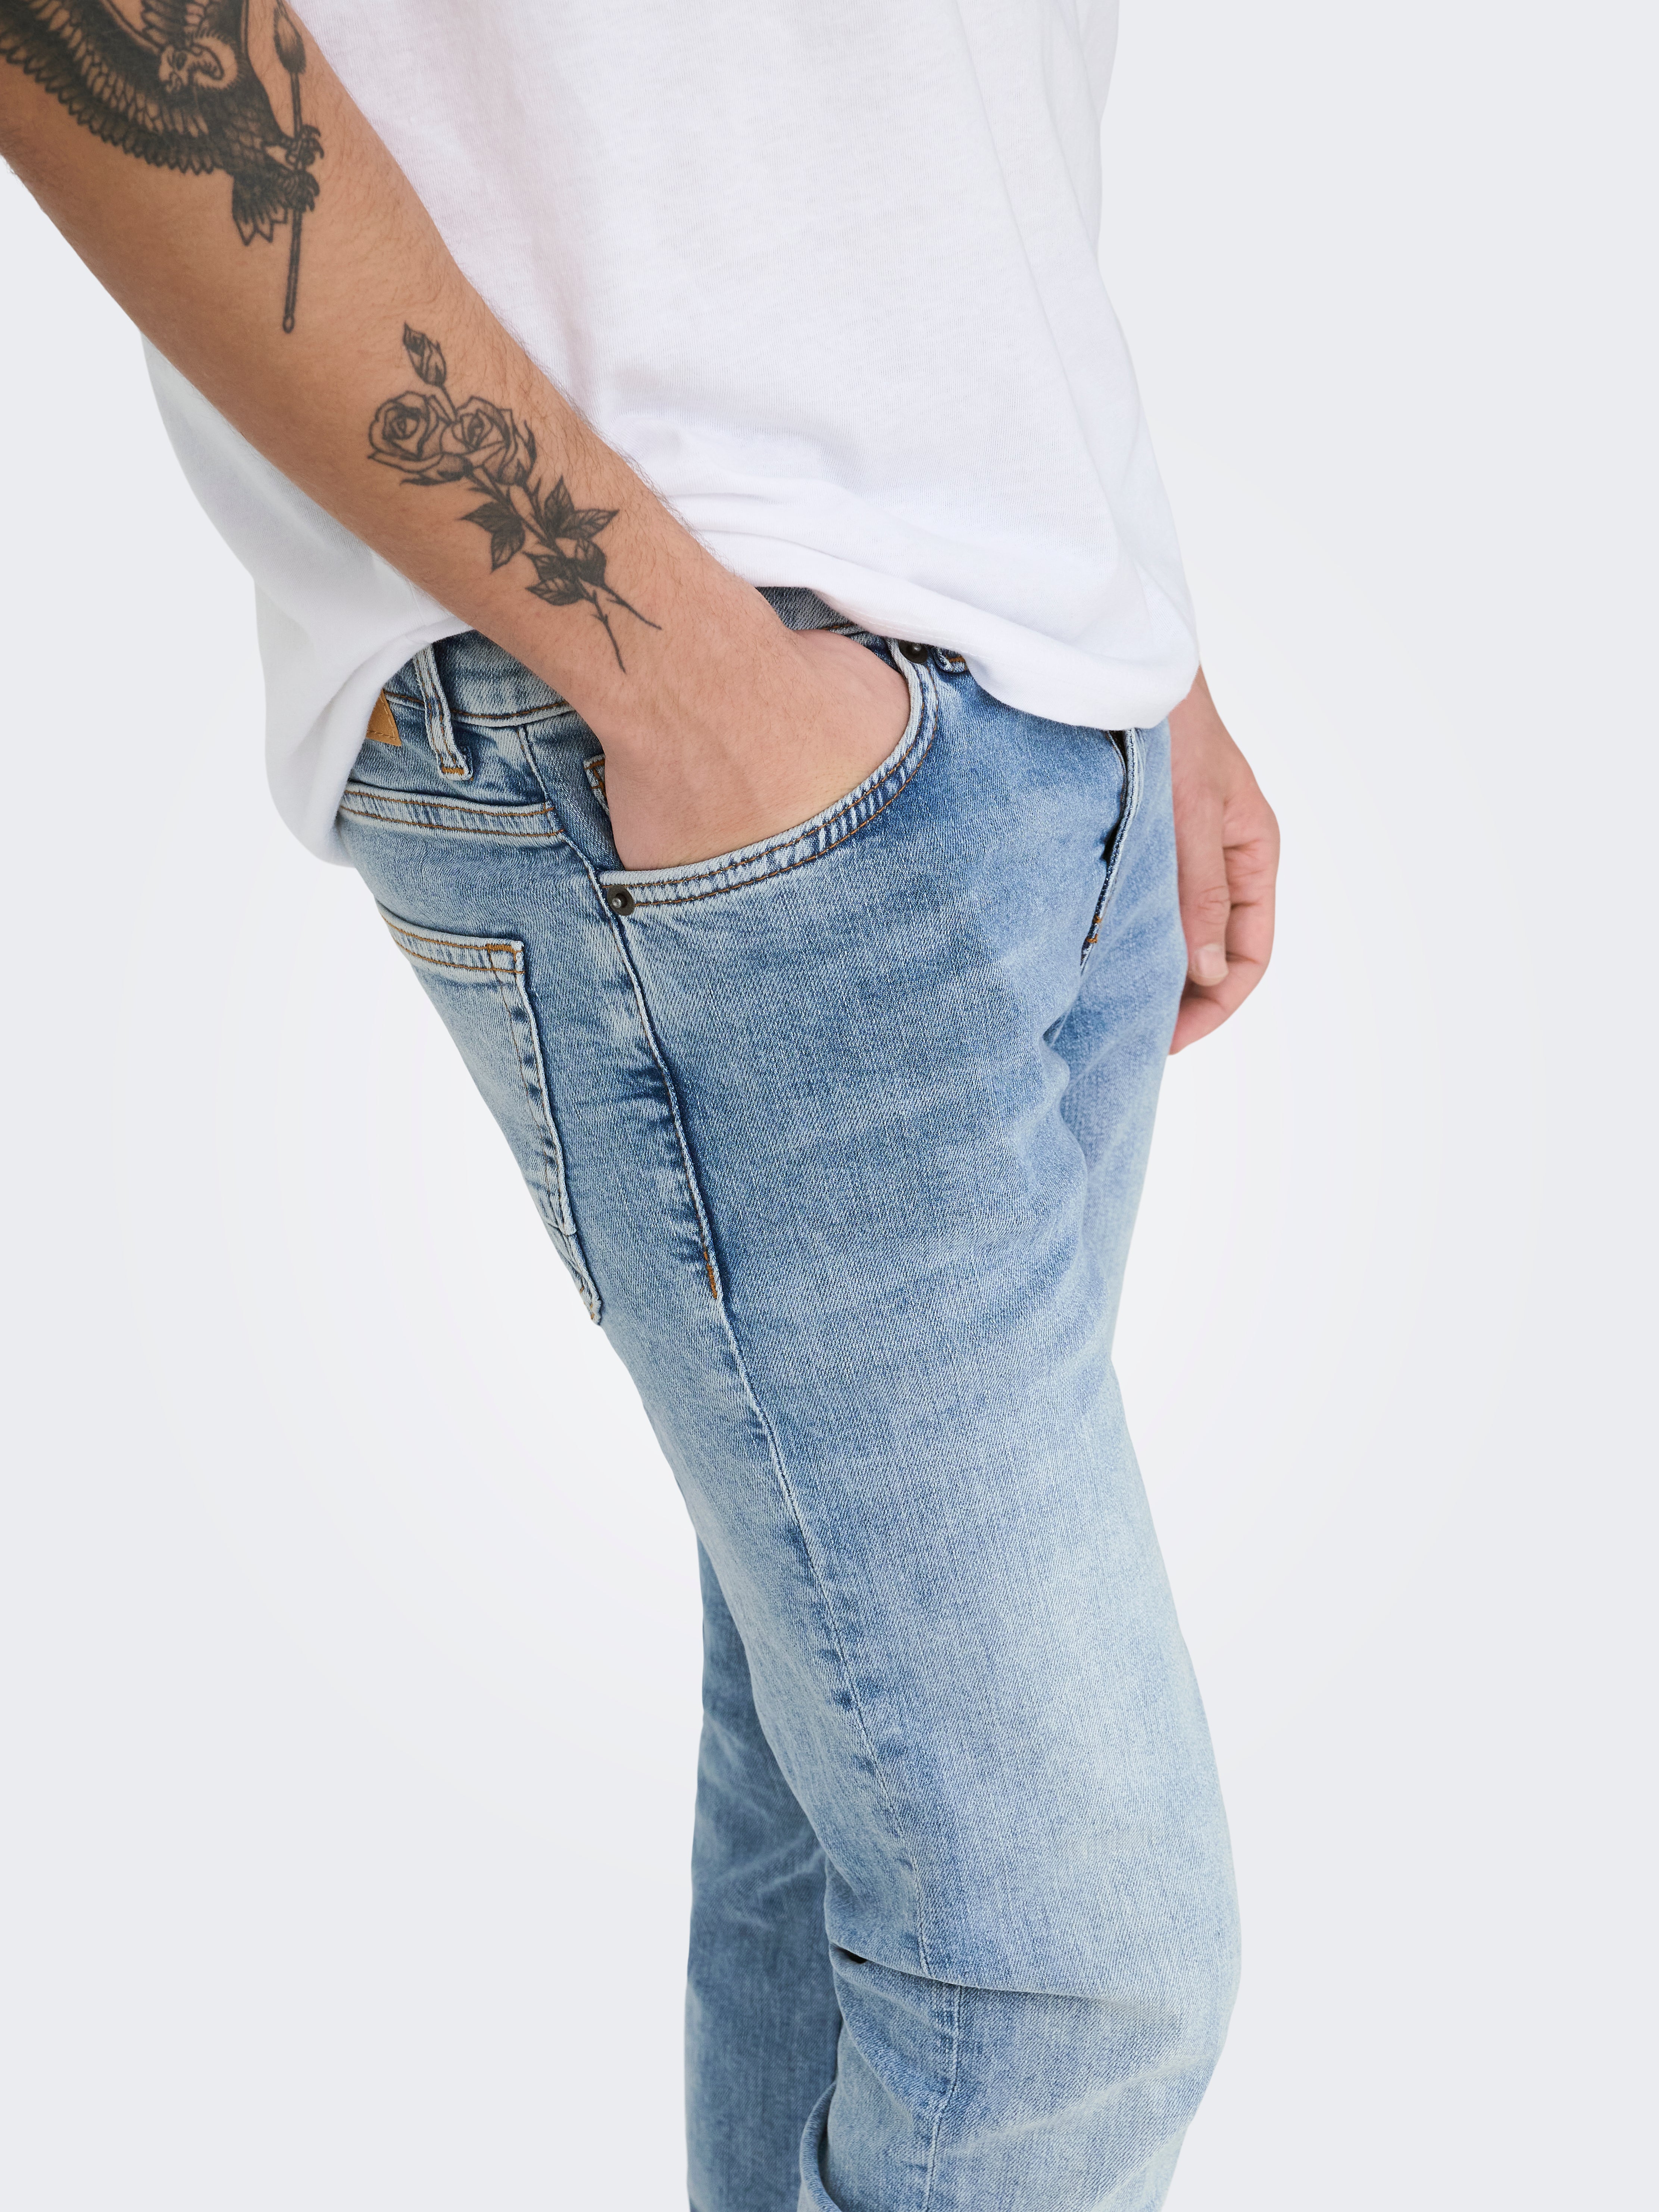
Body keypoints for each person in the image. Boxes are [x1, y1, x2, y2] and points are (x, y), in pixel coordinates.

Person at [1, 3, 1279, 2203]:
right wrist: (682, 676)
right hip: (669, 701)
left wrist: (1137, 647)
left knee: (851, 1812)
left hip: (1027, 697)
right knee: (1067, 1981)